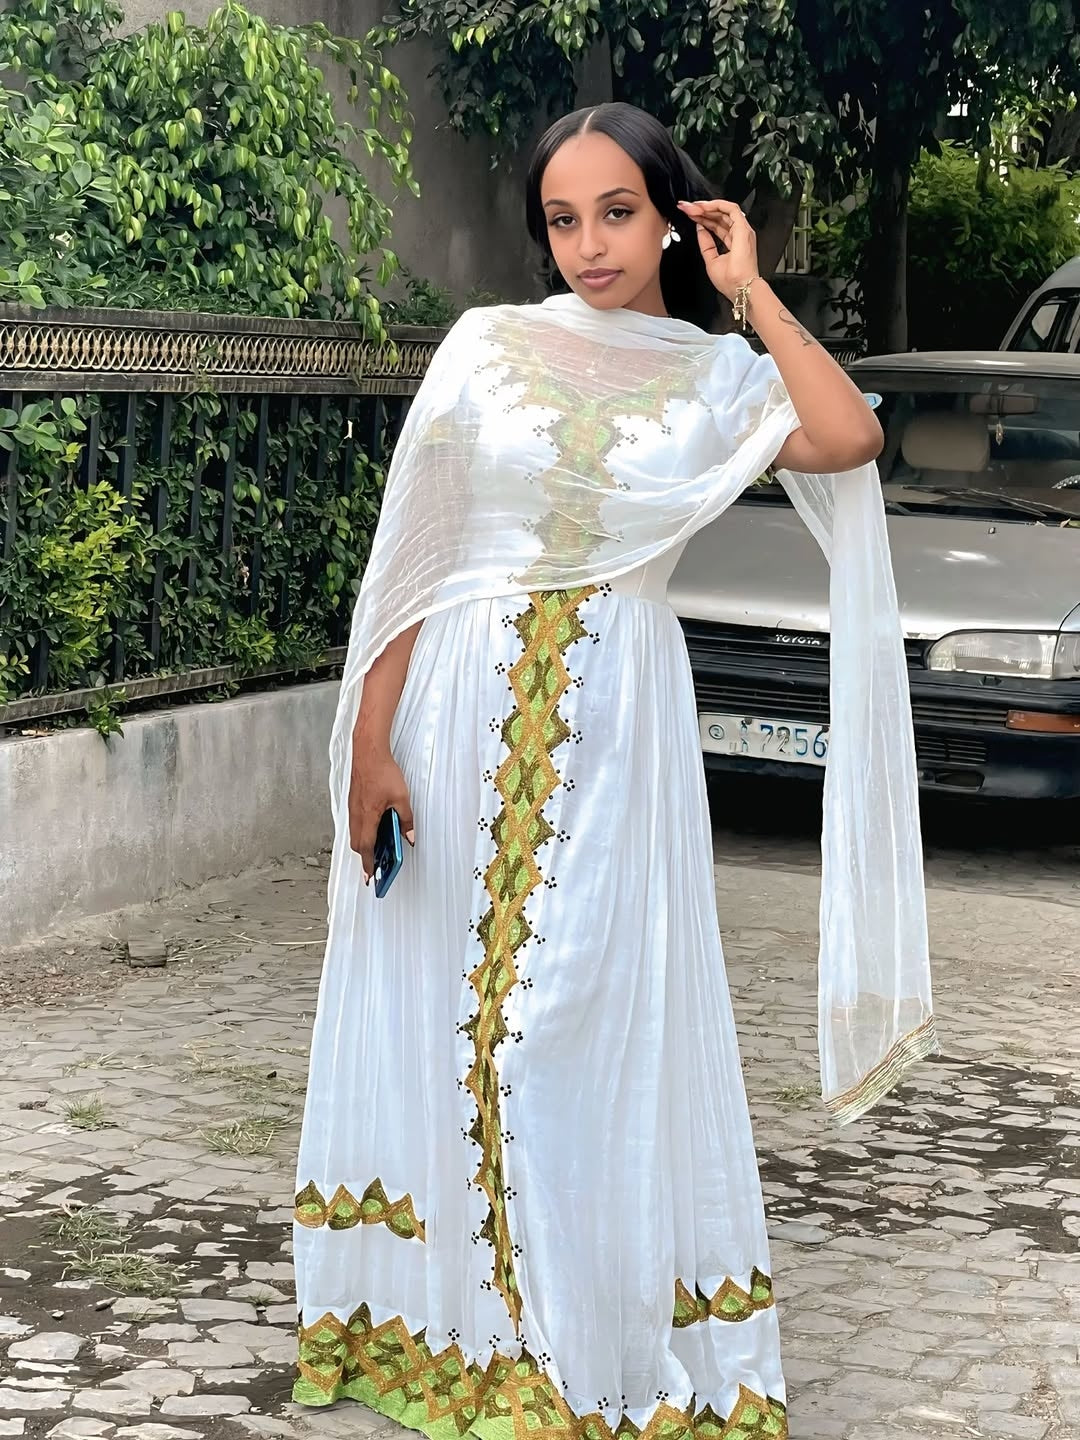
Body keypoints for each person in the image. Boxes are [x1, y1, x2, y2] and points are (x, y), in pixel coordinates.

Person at [291, 103, 935, 1440]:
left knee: (560, 1038)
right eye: (563, 219)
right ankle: (475, 1341)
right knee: (455, 1020)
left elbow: (847, 439)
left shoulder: (714, 378)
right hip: (457, 716)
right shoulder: (488, 349)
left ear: (673, 215)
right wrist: (369, 739)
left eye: (619, 213)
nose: (589, 245)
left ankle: (581, 1338)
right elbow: (420, 552)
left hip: (616, 736)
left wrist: (749, 288)